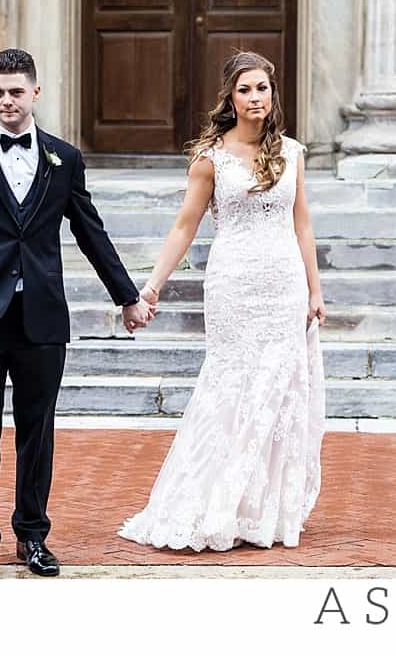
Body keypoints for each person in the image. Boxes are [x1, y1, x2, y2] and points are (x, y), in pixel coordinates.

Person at [0, 49, 152, 580]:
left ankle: (33, 537)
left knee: (38, 433)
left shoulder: (64, 158)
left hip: (42, 321)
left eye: (16, 91)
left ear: (35, 93)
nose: (7, 101)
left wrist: (127, 296)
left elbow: (90, 231)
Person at [119, 52, 326, 552]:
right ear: (230, 98)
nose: (256, 98)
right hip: (234, 286)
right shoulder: (210, 157)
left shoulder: (293, 153)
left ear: (273, 94)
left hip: (283, 285)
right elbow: (185, 226)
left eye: (263, 88)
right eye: (246, 90)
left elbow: (302, 223)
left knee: (279, 393)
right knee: (231, 388)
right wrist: (152, 286)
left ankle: (261, 510)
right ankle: (209, 500)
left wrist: (315, 289)